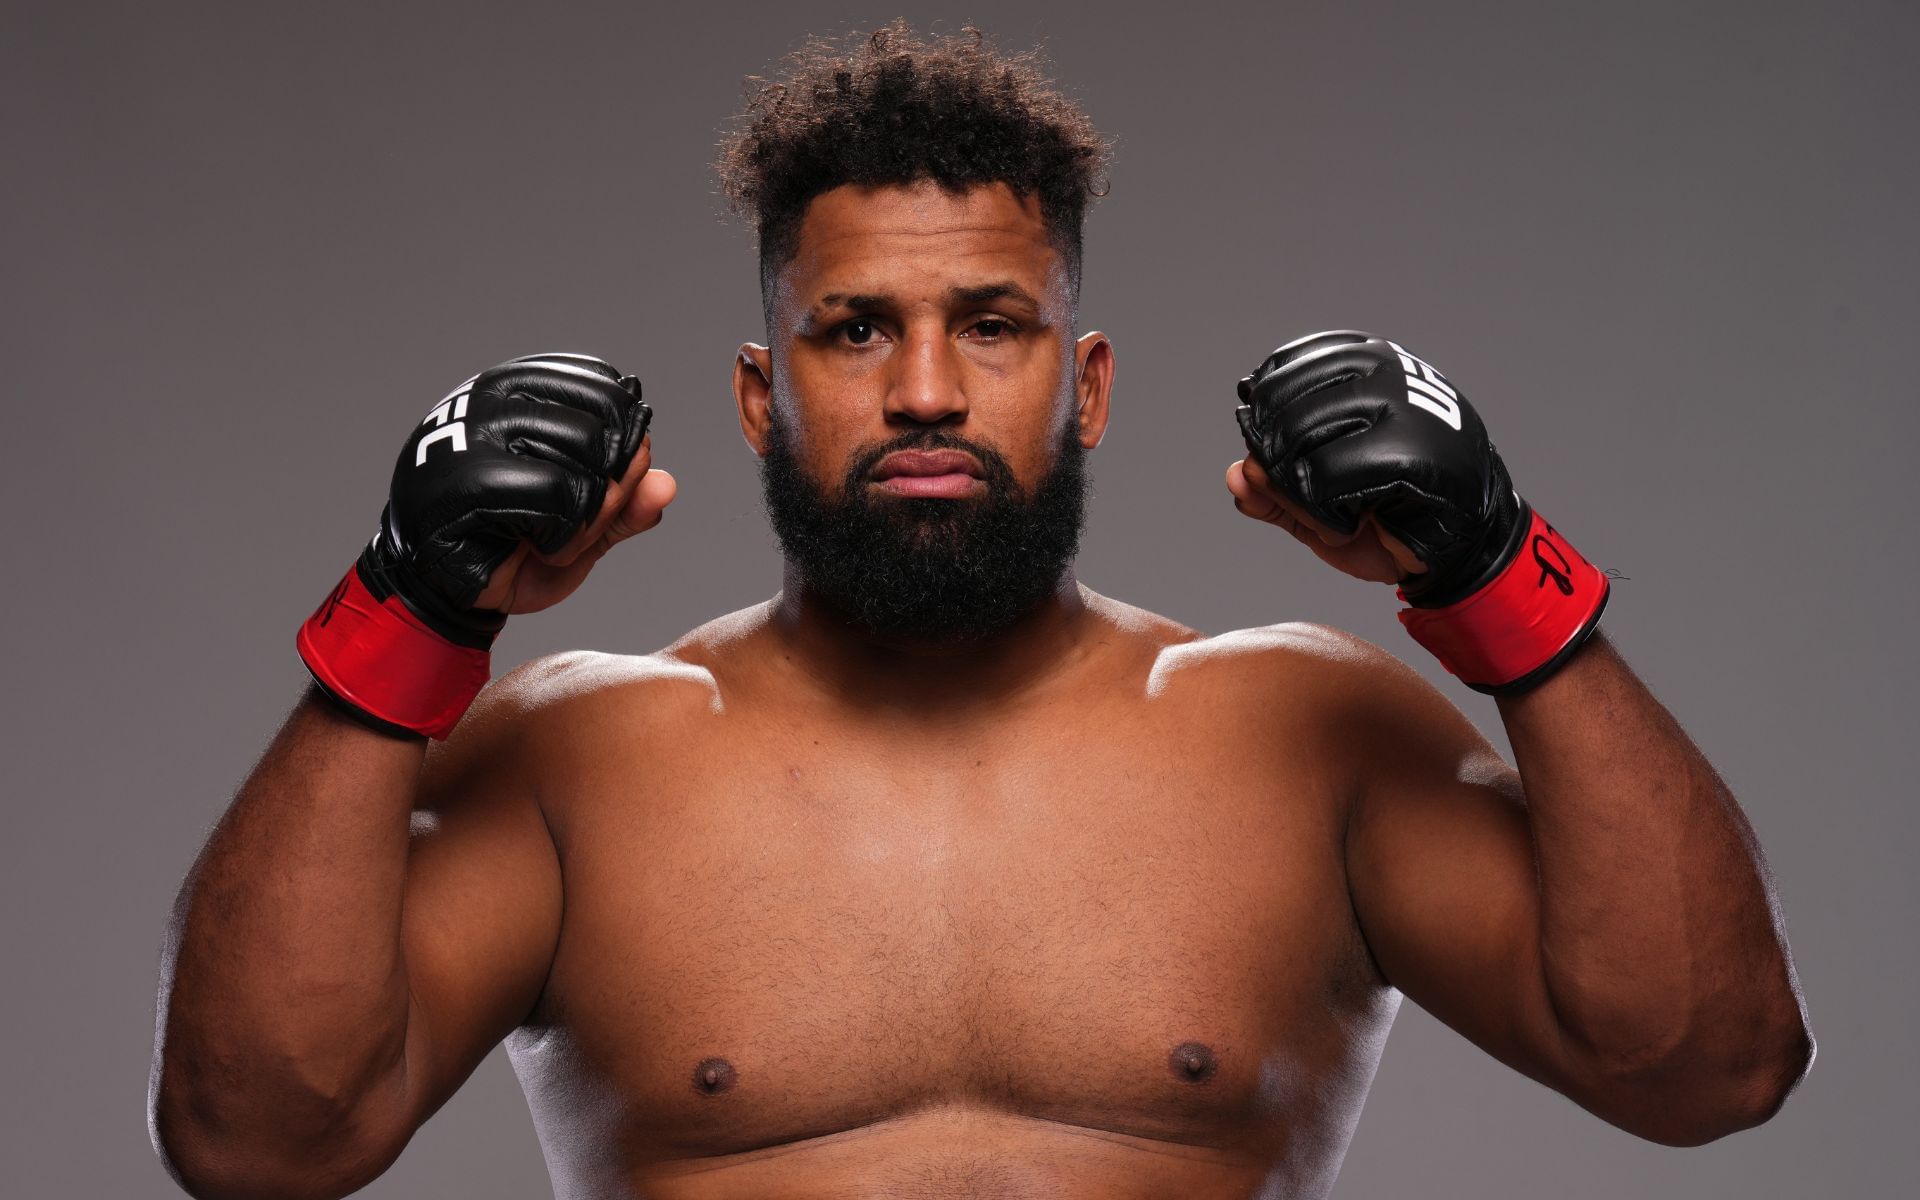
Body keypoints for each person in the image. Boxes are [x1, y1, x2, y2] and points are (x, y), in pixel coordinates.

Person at [147, 22, 1812, 1200]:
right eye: (855, 329)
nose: (927, 390)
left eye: (993, 324)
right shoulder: (583, 758)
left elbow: (1705, 1070)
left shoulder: (1303, 732)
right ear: (757, 393)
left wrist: (1498, 574)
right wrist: (404, 614)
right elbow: (257, 1146)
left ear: (1085, 384)